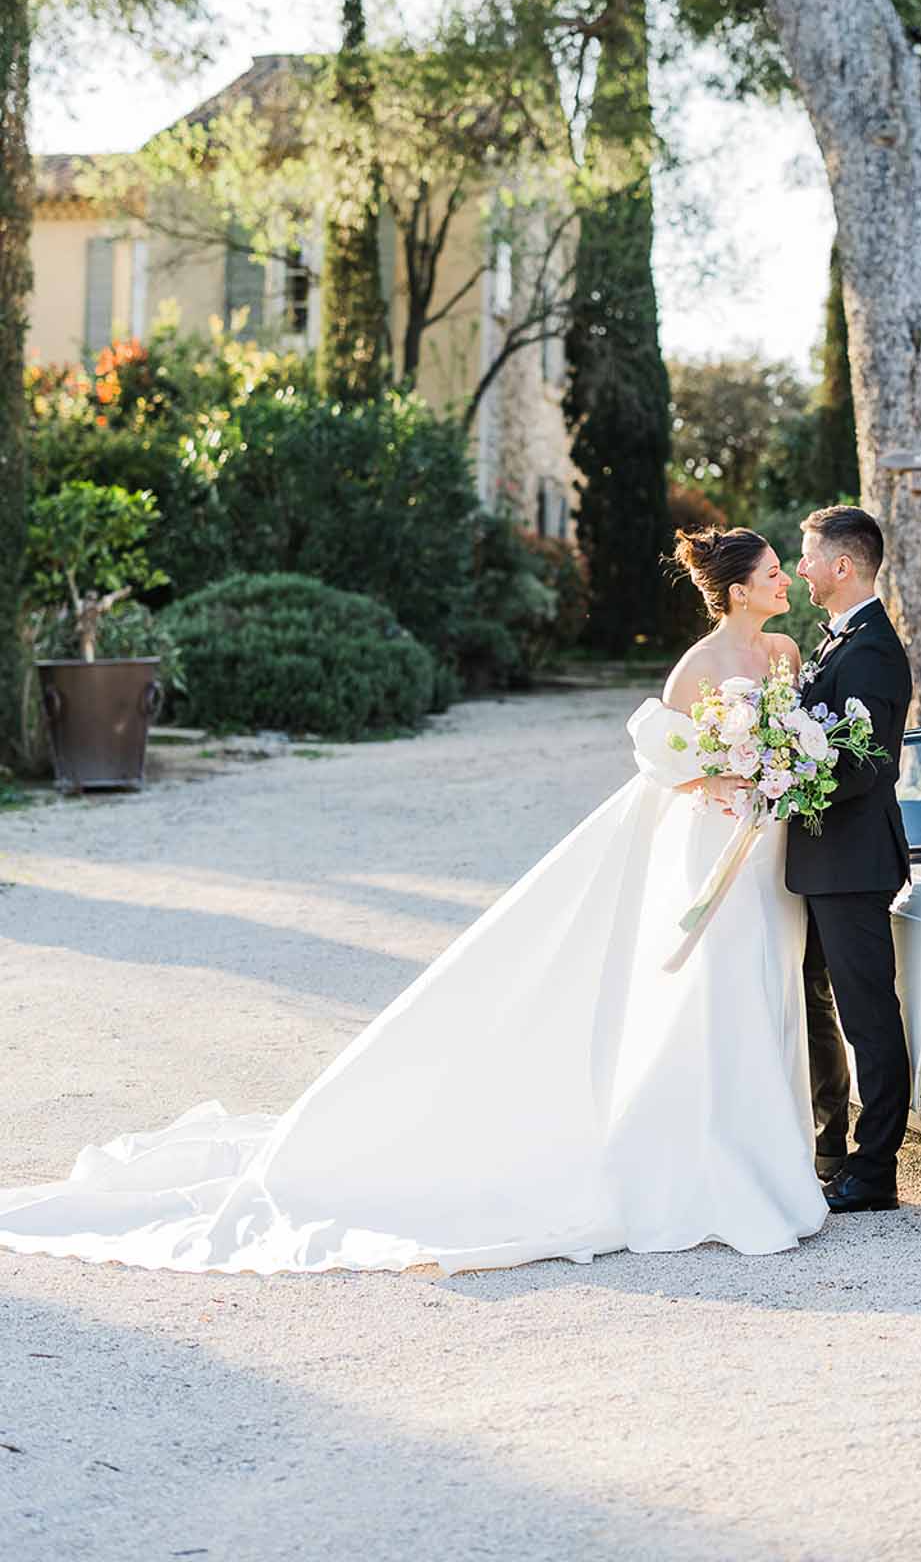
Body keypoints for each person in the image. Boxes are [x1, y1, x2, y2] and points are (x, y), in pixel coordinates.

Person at [0, 528, 828, 1275]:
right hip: (708, 841)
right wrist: (727, 773)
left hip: (764, 848)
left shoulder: (786, 653)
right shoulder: (697, 667)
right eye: (772, 571)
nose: (785, 579)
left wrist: (782, 768)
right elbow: (667, 761)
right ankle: (708, 1164)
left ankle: (768, 1159)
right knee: (713, 991)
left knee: (764, 981)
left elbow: (790, 734)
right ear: (736, 589)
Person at [789, 506, 914, 1214]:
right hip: (823, 861)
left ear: (842, 566)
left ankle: (878, 1169)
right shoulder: (843, 640)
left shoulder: (870, 651)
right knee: (819, 1004)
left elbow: (864, 765)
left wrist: (790, 784)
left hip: (853, 863)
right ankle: (832, 1144)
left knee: (868, 1014)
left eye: (808, 558)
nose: (802, 570)